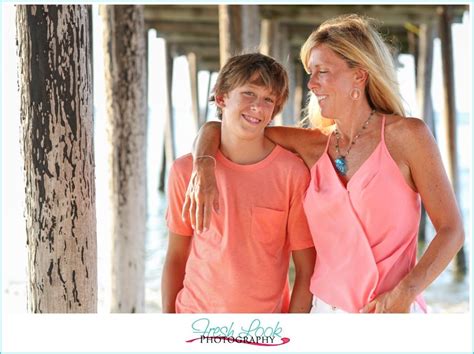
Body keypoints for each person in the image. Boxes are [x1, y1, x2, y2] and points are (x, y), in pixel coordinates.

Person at [182, 14, 465, 313]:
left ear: (359, 75)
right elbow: (229, 127)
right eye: (310, 72)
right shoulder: (314, 146)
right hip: (322, 315)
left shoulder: (407, 136)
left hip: (390, 312)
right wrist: (203, 165)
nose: (311, 83)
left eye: (322, 71)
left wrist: (405, 292)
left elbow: (452, 230)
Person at [161, 53, 316, 313]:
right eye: (248, 93)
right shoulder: (185, 171)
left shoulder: (292, 174)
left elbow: (306, 270)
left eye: (268, 99)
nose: (258, 106)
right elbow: (176, 257)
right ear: (221, 98)